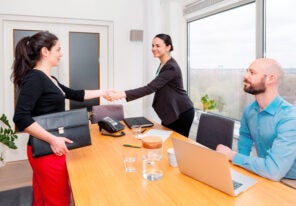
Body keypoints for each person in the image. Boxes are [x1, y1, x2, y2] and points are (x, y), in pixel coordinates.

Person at [12, 31, 110, 205]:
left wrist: (105, 92)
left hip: (49, 147)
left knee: (43, 196)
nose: (61, 54)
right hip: (47, 149)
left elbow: (76, 94)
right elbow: (21, 118)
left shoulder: (50, 78)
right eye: (58, 49)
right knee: (58, 199)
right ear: (45, 51)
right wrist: (53, 140)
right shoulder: (35, 78)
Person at [216, 58, 296, 181]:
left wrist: (232, 155)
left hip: (289, 183)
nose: (245, 75)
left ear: (271, 78)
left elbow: (274, 171)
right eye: (247, 71)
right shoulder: (249, 110)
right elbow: (245, 140)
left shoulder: (290, 118)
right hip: (263, 174)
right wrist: (239, 174)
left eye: (252, 73)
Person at [106, 33, 194, 137]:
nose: (153, 48)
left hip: (181, 112)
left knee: (176, 145)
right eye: (152, 45)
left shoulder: (171, 67)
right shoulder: (163, 64)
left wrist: (121, 94)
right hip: (171, 111)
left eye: (157, 46)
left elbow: (150, 88)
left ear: (168, 47)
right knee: (166, 142)